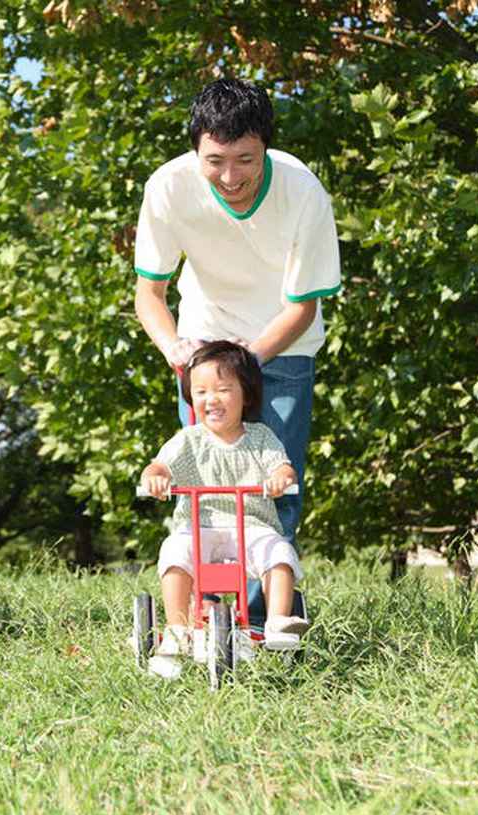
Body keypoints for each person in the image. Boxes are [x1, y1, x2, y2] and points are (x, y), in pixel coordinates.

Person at [133, 78, 341, 546]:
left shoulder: (303, 191)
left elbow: (303, 308)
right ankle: (206, 612)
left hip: (284, 345)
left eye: (246, 159)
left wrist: (251, 358)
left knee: (276, 485)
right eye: (215, 162)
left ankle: (266, 614)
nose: (231, 178)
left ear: (266, 146)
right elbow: (149, 293)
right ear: (196, 153)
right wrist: (176, 349)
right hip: (205, 347)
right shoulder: (168, 188)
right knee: (204, 484)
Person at [138, 341, 310, 671]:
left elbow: (282, 467)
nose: (211, 399)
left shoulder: (261, 437)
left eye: (222, 389)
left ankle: (277, 621)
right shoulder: (189, 439)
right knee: (175, 551)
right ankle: (177, 628)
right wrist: (155, 478)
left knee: (280, 552)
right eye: (200, 392)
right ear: (191, 397)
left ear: (246, 394)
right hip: (199, 527)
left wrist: (280, 477)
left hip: (252, 527)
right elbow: (158, 467)